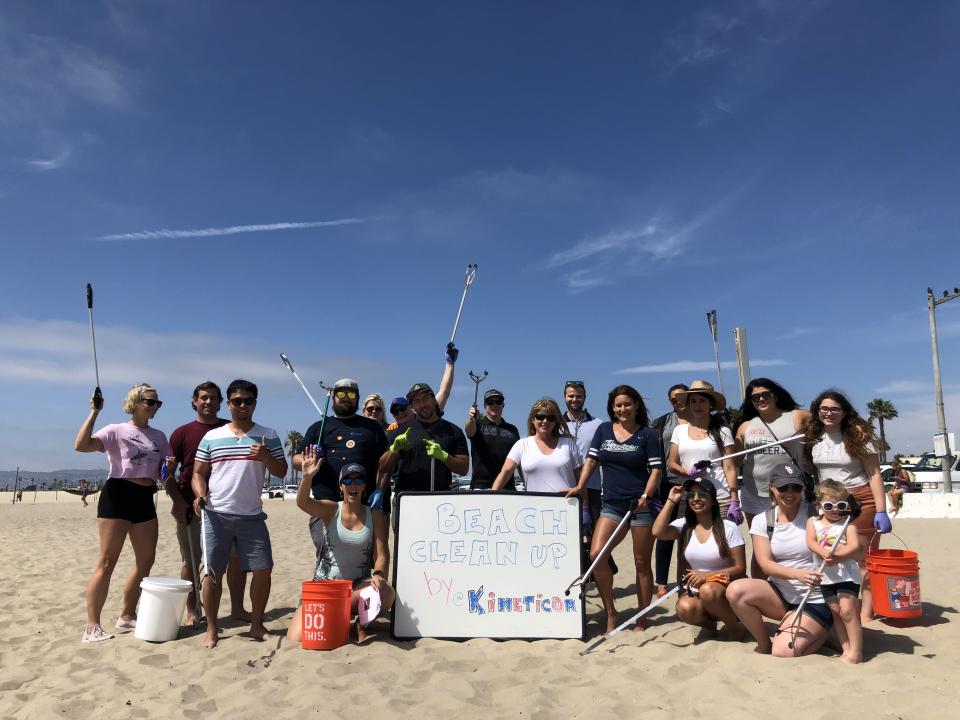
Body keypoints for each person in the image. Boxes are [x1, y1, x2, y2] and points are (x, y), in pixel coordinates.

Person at [192, 379, 287, 648]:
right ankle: (212, 628)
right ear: (229, 403)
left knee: (263, 569)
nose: (242, 405)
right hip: (216, 515)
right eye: (236, 401)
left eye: (248, 401)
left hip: (252, 516)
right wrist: (199, 495)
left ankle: (257, 624)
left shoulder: (267, 434)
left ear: (255, 403)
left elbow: (280, 471)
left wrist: (265, 456)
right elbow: (199, 473)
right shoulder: (212, 436)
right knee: (212, 574)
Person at [74, 383, 169, 643]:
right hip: (117, 495)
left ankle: (127, 615)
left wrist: (167, 470)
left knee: (146, 561)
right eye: (150, 401)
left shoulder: (160, 436)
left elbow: (163, 472)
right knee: (107, 562)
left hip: (145, 497)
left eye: (157, 403)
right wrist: (94, 413)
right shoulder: (117, 430)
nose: (154, 407)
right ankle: (92, 626)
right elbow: (81, 445)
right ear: (135, 403)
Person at [568, 385, 662, 633]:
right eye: (618, 405)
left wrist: (646, 495)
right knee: (596, 555)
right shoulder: (603, 430)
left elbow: (656, 471)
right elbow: (591, 461)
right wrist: (580, 486)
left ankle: (641, 617)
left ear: (636, 406)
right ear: (612, 408)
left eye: (627, 404)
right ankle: (611, 611)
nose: (623, 409)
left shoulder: (648, 435)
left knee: (641, 562)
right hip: (611, 504)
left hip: (640, 507)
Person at [287, 452, 395, 643]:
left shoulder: (375, 515)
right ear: (341, 486)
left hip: (355, 589)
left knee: (386, 592)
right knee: (297, 638)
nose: (353, 485)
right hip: (326, 588)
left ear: (364, 486)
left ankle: (361, 623)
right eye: (347, 480)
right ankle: (339, 617)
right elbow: (303, 503)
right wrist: (307, 478)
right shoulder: (331, 510)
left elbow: (381, 554)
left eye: (358, 480)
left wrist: (378, 573)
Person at [727, 463, 833, 656]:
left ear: (803, 488)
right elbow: (765, 564)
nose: (790, 493)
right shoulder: (763, 520)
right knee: (736, 591)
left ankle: (825, 628)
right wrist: (797, 574)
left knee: (783, 651)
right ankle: (764, 642)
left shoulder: (817, 514)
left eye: (796, 487)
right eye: (783, 487)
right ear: (772, 488)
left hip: (815, 596)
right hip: (780, 593)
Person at [166, 381, 249, 625]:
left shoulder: (230, 428)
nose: (208, 402)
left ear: (220, 402)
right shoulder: (181, 433)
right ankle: (193, 612)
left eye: (213, 398)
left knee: (235, 561)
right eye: (203, 397)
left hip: (227, 507)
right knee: (191, 562)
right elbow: (167, 474)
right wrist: (177, 501)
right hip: (191, 507)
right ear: (194, 401)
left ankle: (237, 609)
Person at [805, 389, 890, 622]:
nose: (828, 413)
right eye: (824, 409)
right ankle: (842, 605)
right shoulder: (812, 435)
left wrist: (881, 510)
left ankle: (866, 612)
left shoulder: (858, 436)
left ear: (844, 412)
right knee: (831, 555)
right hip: (827, 503)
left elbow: (874, 474)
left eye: (834, 409)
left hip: (859, 499)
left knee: (862, 558)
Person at [735, 378, 813, 577]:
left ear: (776, 395)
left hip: (790, 491)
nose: (761, 399)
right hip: (755, 493)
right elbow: (734, 462)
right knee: (761, 546)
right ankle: (761, 591)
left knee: (796, 543)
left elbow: (826, 429)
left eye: (765, 394)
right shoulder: (745, 426)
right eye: (755, 397)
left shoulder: (798, 417)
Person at [652, 478, 746, 638]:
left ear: (713, 501)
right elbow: (658, 532)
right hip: (697, 589)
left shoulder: (727, 527)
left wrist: (707, 576)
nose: (695, 499)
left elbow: (740, 568)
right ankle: (710, 625)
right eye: (691, 495)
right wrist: (671, 501)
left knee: (708, 590)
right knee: (684, 608)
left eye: (702, 494)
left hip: (726, 587)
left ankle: (734, 629)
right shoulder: (684, 525)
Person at [294, 379, 388, 503]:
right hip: (324, 505)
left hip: (363, 504)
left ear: (358, 398)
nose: (346, 398)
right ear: (333, 398)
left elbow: (386, 464)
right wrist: (307, 461)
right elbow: (295, 460)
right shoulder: (318, 427)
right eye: (341, 394)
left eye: (351, 394)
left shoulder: (372, 427)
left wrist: (380, 489)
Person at [805, 480, 864, 664]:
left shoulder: (848, 525)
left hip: (847, 575)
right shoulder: (813, 522)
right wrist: (822, 552)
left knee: (848, 611)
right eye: (829, 505)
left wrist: (838, 557)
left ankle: (856, 652)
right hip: (826, 577)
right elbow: (811, 542)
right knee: (836, 611)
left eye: (840, 505)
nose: (835, 510)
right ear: (819, 505)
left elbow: (854, 546)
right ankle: (845, 648)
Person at [378, 382, 469, 497]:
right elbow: (384, 468)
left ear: (434, 400)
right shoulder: (399, 433)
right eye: (416, 401)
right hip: (407, 500)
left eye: (425, 398)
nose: (422, 404)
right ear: (412, 407)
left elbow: (464, 469)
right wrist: (394, 450)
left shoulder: (454, 431)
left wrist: (444, 456)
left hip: (441, 500)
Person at [668, 380, 740, 520]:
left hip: (719, 496)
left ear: (710, 404)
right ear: (688, 404)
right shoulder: (679, 430)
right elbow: (672, 464)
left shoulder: (723, 431)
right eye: (693, 401)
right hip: (691, 497)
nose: (697, 405)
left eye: (702, 401)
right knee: (690, 540)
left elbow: (730, 468)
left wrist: (734, 500)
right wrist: (688, 472)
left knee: (721, 540)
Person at [491, 398, 582, 493]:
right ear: (532, 420)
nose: (545, 421)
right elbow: (505, 474)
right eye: (540, 417)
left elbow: (581, 483)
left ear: (556, 422)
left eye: (551, 418)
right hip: (533, 507)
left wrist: (584, 506)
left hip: (567, 506)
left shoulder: (569, 444)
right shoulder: (521, 445)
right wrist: (491, 499)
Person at [651, 383, 690, 597]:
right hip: (666, 484)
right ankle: (662, 582)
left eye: (680, 396)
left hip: (692, 483)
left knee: (686, 534)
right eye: (672, 398)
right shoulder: (662, 422)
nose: (677, 400)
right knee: (664, 534)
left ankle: (683, 581)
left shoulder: (699, 419)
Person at [465, 388, 522, 490]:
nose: (494, 405)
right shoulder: (477, 424)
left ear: (503, 405)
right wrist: (471, 418)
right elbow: (469, 430)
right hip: (481, 487)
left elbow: (519, 459)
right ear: (484, 406)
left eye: (498, 402)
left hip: (508, 488)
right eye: (490, 402)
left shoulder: (513, 429)